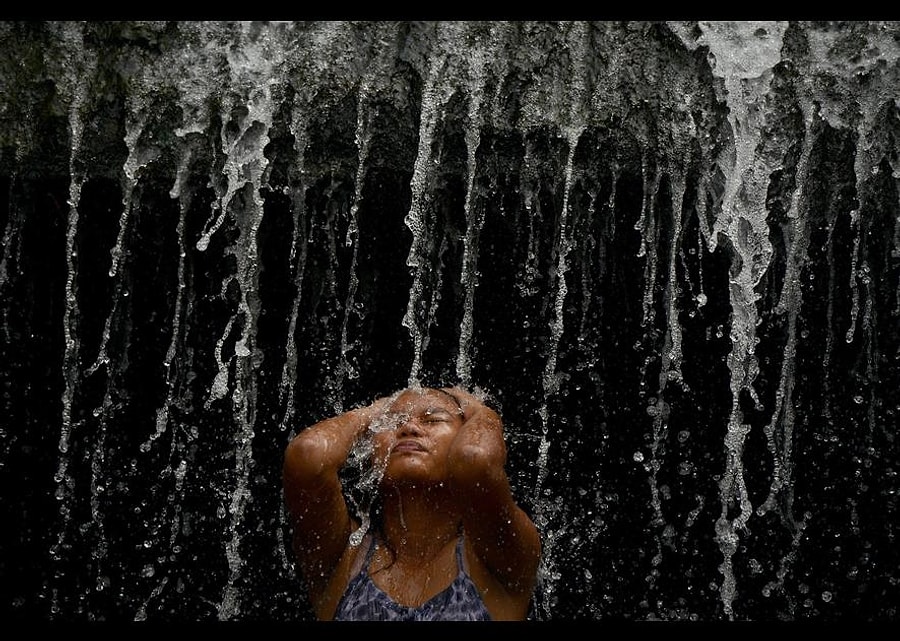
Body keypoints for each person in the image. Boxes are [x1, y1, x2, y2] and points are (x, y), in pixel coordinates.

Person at [282, 385, 542, 621]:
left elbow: (475, 460)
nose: (409, 428)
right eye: (392, 422)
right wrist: (370, 413)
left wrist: (482, 412)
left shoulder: (496, 555)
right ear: (368, 450)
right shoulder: (344, 555)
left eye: (433, 419)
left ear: (466, 434)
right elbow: (309, 454)